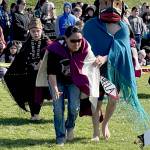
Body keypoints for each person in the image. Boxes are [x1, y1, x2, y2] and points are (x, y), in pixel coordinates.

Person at [83, 0, 149, 141]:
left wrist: (105, 58)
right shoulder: (90, 26)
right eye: (105, 3)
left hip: (113, 72)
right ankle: (95, 132)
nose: (110, 7)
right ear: (99, 5)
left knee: (113, 100)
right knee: (96, 101)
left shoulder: (123, 27)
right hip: (95, 71)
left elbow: (120, 49)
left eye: (116, 4)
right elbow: (85, 47)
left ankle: (105, 124)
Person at [37, 25, 100, 146]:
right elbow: (51, 72)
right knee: (58, 109)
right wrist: (55, 88)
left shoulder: (85, 48)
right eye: (73, 41)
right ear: (65, 39)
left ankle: (70, 126)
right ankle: (60, 136)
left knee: (74, 107)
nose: (77, 44)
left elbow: (90, 63)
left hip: (74, 81)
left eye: (79, 40)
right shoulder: (55, 49)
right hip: (57, 81)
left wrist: (97, 60)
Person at [4, 17, 50, 120]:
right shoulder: (27, 43)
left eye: (38, 31)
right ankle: (33, 115)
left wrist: (42, 62)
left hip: (43, 73)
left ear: (41, 30)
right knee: (30, 94)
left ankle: (36, 114)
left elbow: (51, 52)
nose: (36, 33)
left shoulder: (47, 41)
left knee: (39, 94)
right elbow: (20, 58)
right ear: (30, 31)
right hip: (29, 74)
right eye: (33, 31)